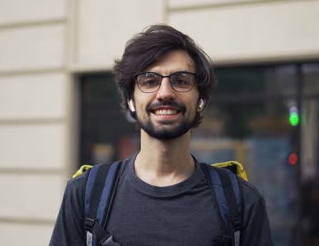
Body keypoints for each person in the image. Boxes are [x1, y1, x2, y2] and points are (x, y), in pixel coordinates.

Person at [50, 24, 273, 246]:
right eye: (149, 81)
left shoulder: (242, 201)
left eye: (181, 80)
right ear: (131, 99)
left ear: (200, 100)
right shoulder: (84, 195)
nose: (165, 93)